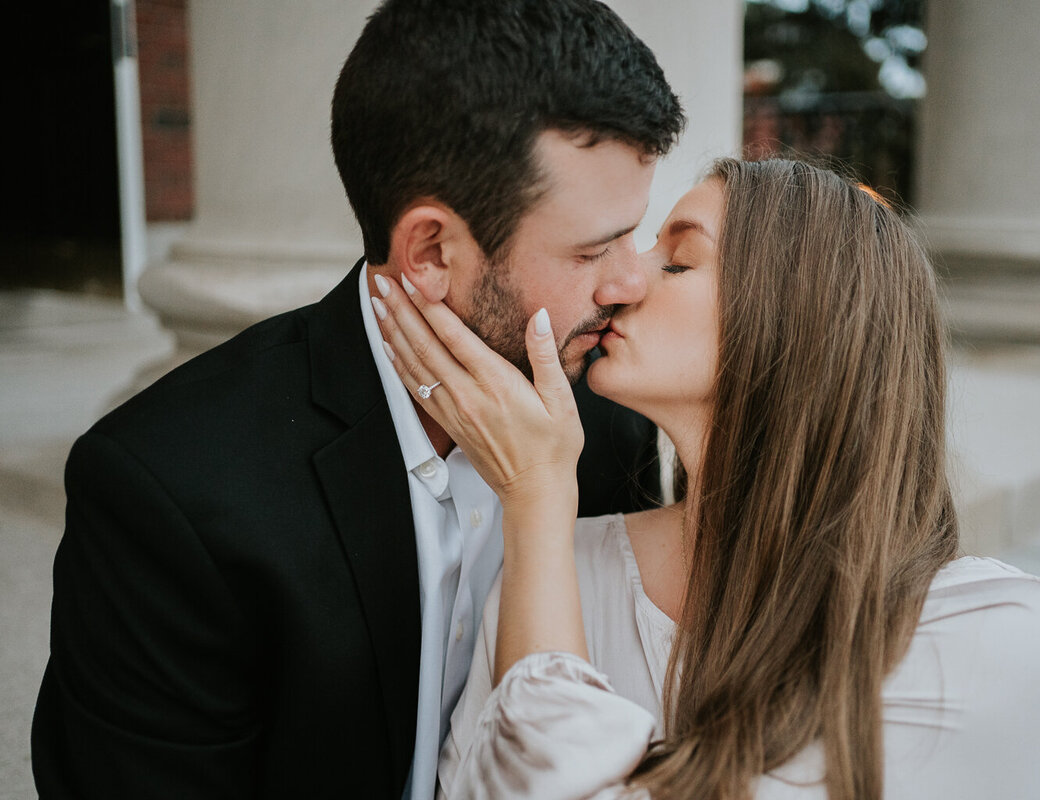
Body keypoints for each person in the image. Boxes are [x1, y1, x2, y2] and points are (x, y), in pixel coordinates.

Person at [30, 1, 684, 798]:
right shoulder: (168, 491)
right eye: (593, 249)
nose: (628, 282)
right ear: (432, 251)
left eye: (634, 234)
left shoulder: (610, 421)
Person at [374, 158, 1040, 800]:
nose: (621, 281)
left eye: (678, 260)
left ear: (802, 319)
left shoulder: (1000, 638)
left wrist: (535, 497)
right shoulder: (561, 570)